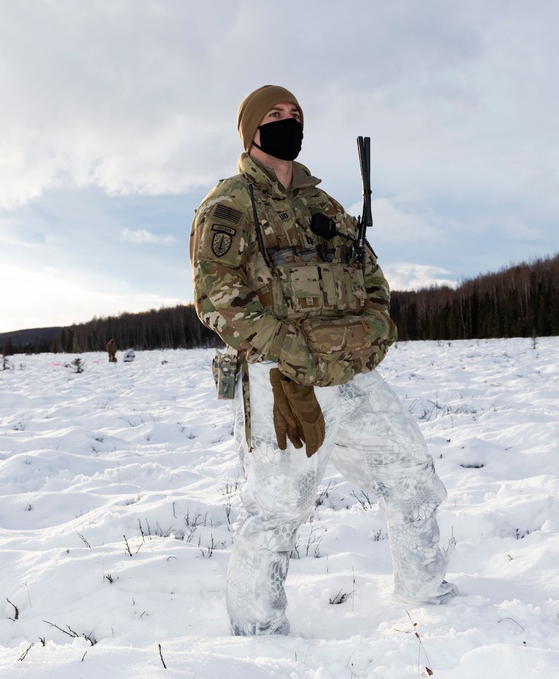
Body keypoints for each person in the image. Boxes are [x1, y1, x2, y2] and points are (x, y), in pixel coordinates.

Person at [190, 85, 456, 637]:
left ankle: (427, 593)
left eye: (295, 114)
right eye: (275, 115)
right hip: (284, 380)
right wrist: (287, 348)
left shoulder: (325, 206)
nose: (288, 122)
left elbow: (371, 278)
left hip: (353, 372)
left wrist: (377, 328)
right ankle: (258, 635)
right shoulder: (230, 205)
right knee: (278, 508)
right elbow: (216, 300)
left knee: (411, 477)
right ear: (250, 131)